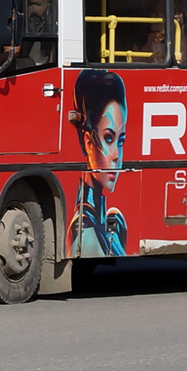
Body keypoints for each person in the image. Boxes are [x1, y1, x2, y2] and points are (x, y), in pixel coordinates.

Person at [66, 69, 128, 257]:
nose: (117, 155)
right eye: (108, 138)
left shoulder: (114, 222)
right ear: (88, 142)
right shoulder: (86, 229)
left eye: (121, 140)